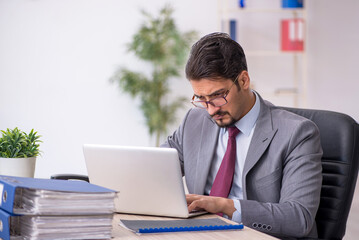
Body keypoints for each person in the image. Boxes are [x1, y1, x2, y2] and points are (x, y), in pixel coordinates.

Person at [161, 32, 322, 239]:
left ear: (244, 80)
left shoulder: (297, 133)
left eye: (217, 96)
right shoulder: (194, 121)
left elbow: (299, 218)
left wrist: (224, 205)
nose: (210, 110)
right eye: (201, 98)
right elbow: (156, 171)